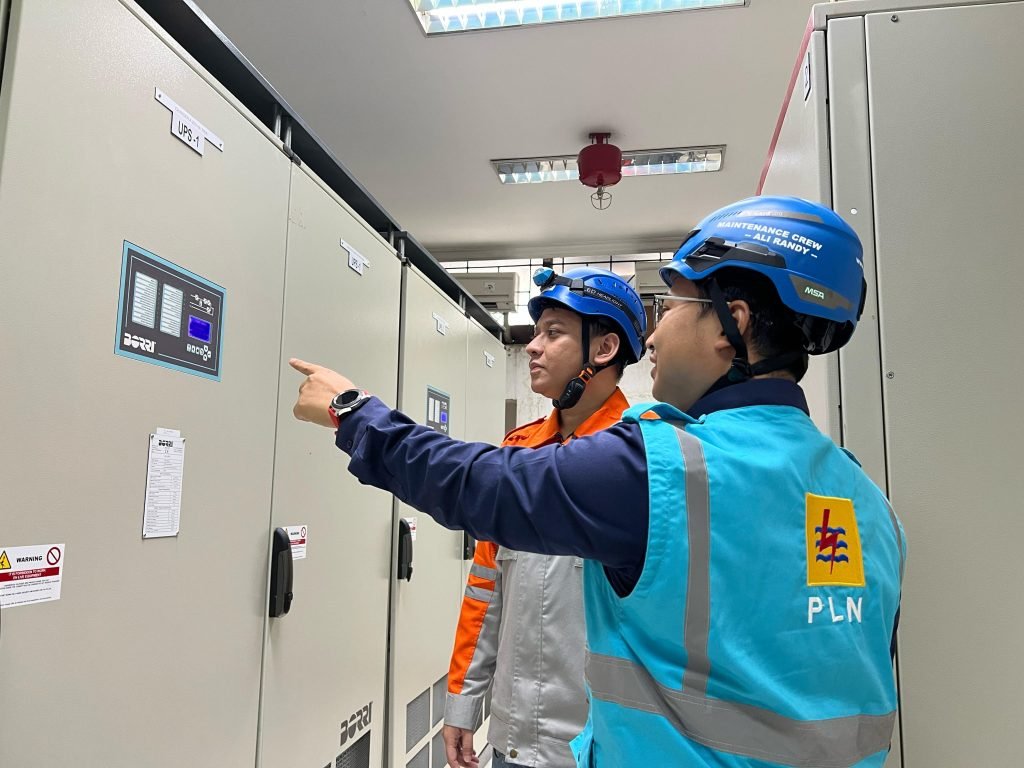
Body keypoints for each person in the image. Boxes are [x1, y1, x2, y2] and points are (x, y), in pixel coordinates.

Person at [291, 196, 906, 768]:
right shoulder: (869, 505)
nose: (656, 334)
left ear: (731, 325)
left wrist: (353, 412)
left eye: (673, 306)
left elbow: (479, 487)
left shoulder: (660, 467)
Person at [443, 267, 647, 768]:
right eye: (537, 333)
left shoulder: (645, 461)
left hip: (604, 745)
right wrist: (463, 703)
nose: (533, 347)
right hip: (512, 741)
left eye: (553, 333)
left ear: (604, 350)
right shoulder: (519, 452)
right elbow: (484, 589)